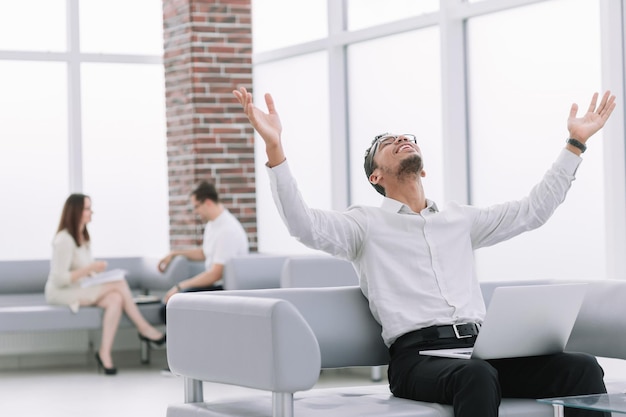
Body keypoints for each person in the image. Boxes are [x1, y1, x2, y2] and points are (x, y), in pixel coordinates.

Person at [233, 86, 616, 417]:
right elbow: (303, 224)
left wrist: (575, 144)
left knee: (580, 368)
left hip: (480, 350)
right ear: (376, 177)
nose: (401, 139)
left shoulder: (460, 220)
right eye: (387, 143)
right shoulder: (363, 225)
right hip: (418, 360)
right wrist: (275, 148)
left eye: (406, 136)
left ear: (424, 169)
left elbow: (533, 211)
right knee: (477, 377)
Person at [45, 194, 166, 376]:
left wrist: (96, 273)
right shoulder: (64, 240)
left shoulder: (83, 237)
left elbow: (84, 270)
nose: (91, 212)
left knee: (115, 299)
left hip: (79, 288)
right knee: (118, 283)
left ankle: (104, 354)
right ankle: (144, 328)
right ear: (75, 211)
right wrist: (91, 268)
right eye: (87, 208)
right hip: (61, 293)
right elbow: (59, 279)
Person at [158, 181, 249, 316]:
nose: (195, 212)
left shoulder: (228, 230)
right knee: (167, 307)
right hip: (214, 286)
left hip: (224, 289)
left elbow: (215, 274)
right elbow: (204, 252)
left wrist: (180, 286)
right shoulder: (213, 224)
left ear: (208, 203)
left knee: (172, 306)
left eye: (196, 207)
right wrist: (175, 253)